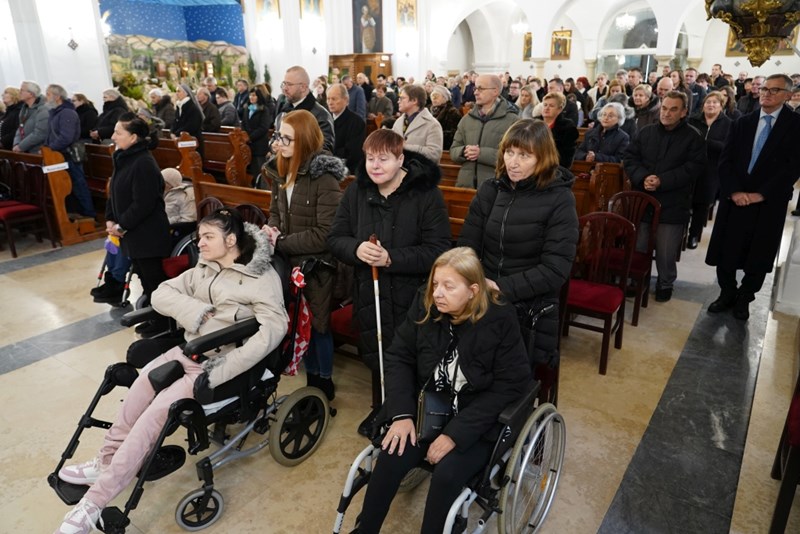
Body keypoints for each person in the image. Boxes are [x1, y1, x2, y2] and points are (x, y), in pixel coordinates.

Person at [54, 208, 288, 534]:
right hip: (187, 351)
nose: (199, 243)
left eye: (207, 237)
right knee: (138, 390)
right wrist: (198, 312)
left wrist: (221, 370)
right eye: (200, 236)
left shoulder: (260, 278)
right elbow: (162, 293)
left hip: (217, 365)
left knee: (154, 416)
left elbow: (274, 331)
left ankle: (93, 503)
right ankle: (106, 462)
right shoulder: (205, 268)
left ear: (231, 240)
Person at [351, 247, 531, 534]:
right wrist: (402, 414)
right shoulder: (425, 304)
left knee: (447, 474)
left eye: (448, 286)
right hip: (428, 408)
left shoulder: (500, 318)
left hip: (476, 420)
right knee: (391, 453)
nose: (437, 293)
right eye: (435, 283)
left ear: (473, 291)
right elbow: (399, 356)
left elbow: (510, 385)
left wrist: (455, 434)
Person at [327, 129, 451, 438]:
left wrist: (391, 258)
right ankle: (383, 406)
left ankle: (412, 415)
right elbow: (336, 238)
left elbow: (438, 251)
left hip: (412, 295)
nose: (375, 166)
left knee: (411, 359)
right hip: (369, 292)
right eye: (370, 158)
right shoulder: (357, 192)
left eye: (383, 159)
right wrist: (356, 249)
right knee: (378, 354)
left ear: (400, 159)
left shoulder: (425, 194)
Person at [458, 119, 578, 398]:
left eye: (524, 155)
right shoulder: (491, 190)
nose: (513, 162)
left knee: (508, 390)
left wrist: (500, 287)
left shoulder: (559, 199)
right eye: (509, 153)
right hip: (483, 298)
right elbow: (467, 245)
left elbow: (555, 269)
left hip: (530, 309)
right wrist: (474, 280)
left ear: (542, 157)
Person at [261, 109, 345, 400]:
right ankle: (311, 381)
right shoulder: (280, 169)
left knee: (318, 326)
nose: (279, 143)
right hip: (288, 262)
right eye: (279, 136)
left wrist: (281, 241)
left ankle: (323, 381)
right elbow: (275, 211)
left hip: (316, 266)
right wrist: (271, 230)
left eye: (287, 138)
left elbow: (326, 233)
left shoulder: (324, 179)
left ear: (305, 141)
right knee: (298, 323)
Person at [706, 74, 800, 320]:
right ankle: (727, 292)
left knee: (759, 253)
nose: (766, 93)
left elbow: (792, 167)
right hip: (735, 198)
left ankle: (745, 298)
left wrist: (761, 194)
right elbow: (726, 161)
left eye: (774, 90)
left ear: (788, 95)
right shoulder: (743, 122)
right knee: (727, 249)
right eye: (765, 89)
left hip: (769, 202)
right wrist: (735, 191)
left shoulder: (795, 125)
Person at [623, 91, 706, 303]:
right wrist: (643, 177)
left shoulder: (693, 137)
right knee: (639, 245)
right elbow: (630, 158)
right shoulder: (646, 132)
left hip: (673, 203)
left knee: (666, 250)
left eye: (673, 109)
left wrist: (663, 180)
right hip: (644, 199)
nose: (666, 113)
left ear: (684, 112)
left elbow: (693, 169)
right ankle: (636, 279)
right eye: (664, 108)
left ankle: (665, 283)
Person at [106, 112, 172, 334]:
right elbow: (114, 191)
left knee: (154, 281)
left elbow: (143, 203)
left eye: (118, 132)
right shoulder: (123, 157)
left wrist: (121, 225)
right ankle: (154, 318)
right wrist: (110, 218)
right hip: (133, 233)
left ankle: (164, 323)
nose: (113, 136)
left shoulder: (143, 162)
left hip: (147, 234)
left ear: (133, 137)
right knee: (144, 278)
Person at [450, 74, 518, 188]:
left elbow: (515, 157)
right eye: (475, 88)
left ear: (495, 91)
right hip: (465, 185)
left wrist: (481, 153)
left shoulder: (513, 121)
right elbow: (453, 151)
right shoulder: (467, 119)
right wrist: (463, 151)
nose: (476, 92)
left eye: (480, 89)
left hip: (496, 187)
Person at [686, 92, 731, 249]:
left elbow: (728, 148)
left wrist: (707, 142)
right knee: (685, 200)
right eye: (708, 102)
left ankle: (694, 234)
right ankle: (680, 232)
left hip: (712, 169)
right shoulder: (693, 120)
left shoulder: (728, 124)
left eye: (715, 102)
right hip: (690, 165)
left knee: (702, 203)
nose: (711, 105)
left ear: (721, 105)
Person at [44, 84, 96, 218]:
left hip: (68, 155)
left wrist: (50, 148)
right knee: (67, 187)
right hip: (58, 155)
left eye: (48, 94)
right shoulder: (55, 112)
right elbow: (51, 134)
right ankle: (74, 213)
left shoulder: (67, 113)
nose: (45, 97)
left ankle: (89, 215)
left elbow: (66, 137)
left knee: (78, 185)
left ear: (57, 97)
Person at [275, 66, 335, 153]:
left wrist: (293, 149)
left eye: (289, 84)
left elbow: (325, 149)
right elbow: (277, 136)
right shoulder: (284, 109)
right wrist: (274, 145)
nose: (285, 88)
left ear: (303, 87)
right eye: (284, 84)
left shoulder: (321, 114)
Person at [391, 84, 443, 163]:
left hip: (421, 169)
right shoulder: (398, 122)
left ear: (414, 100)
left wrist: (406, 146)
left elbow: (434, 155)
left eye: (402, 98)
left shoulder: (432, 124)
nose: (398, 101)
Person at [327, 83, 366, 173]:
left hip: (347, 170)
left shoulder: (357, 122)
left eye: (334, 99)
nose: (330, 102)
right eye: (328, 99)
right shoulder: (325, 119)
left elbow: (353, 154)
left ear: (346, 100)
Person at [538, 92, 578, 169]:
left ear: (559, 109)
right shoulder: (534, 124)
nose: (547, 108)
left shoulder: (567, 127)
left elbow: (566, 158)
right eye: (545, 105)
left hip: (555, 168)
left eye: (551, 106)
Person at [242, 87, 274, 181]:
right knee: (250, 170)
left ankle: (261, 186)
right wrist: (244, 134)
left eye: (254, 95)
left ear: (259, 97)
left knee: (259, 170)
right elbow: (243, 123)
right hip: (248, 145)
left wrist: (250, 137)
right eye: (250, 95)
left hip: (259, 144)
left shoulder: (264, 110)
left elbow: (263, 128)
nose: (251, 97)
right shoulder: (247, 109)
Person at [12, 81, 49, 153]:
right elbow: (20, 128)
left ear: (31, 94)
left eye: (22, 90)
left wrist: (21, 146)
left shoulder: (43, 109)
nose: (19, 92)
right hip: (24, 152)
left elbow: (40, 133)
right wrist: (16, 144)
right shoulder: (24, 108)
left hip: (38, 152)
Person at [171, 83, 204, 154]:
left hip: (192, 141)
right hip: (182, 140)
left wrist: (177, 133)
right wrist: (172, 132)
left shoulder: (192, 108)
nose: (176, 93)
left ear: (186, 93)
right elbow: (175, 121)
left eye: (179, 91)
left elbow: (192, 125)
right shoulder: (179, 106)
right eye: (176, 91)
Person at [429, 85, 462, 151]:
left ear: (445, 98)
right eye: (432, 96)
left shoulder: (452, 112)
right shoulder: (429, 111)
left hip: (445, 148)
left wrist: (434, 134)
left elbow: (454, 134)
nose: (434, 99)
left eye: (436, 96)